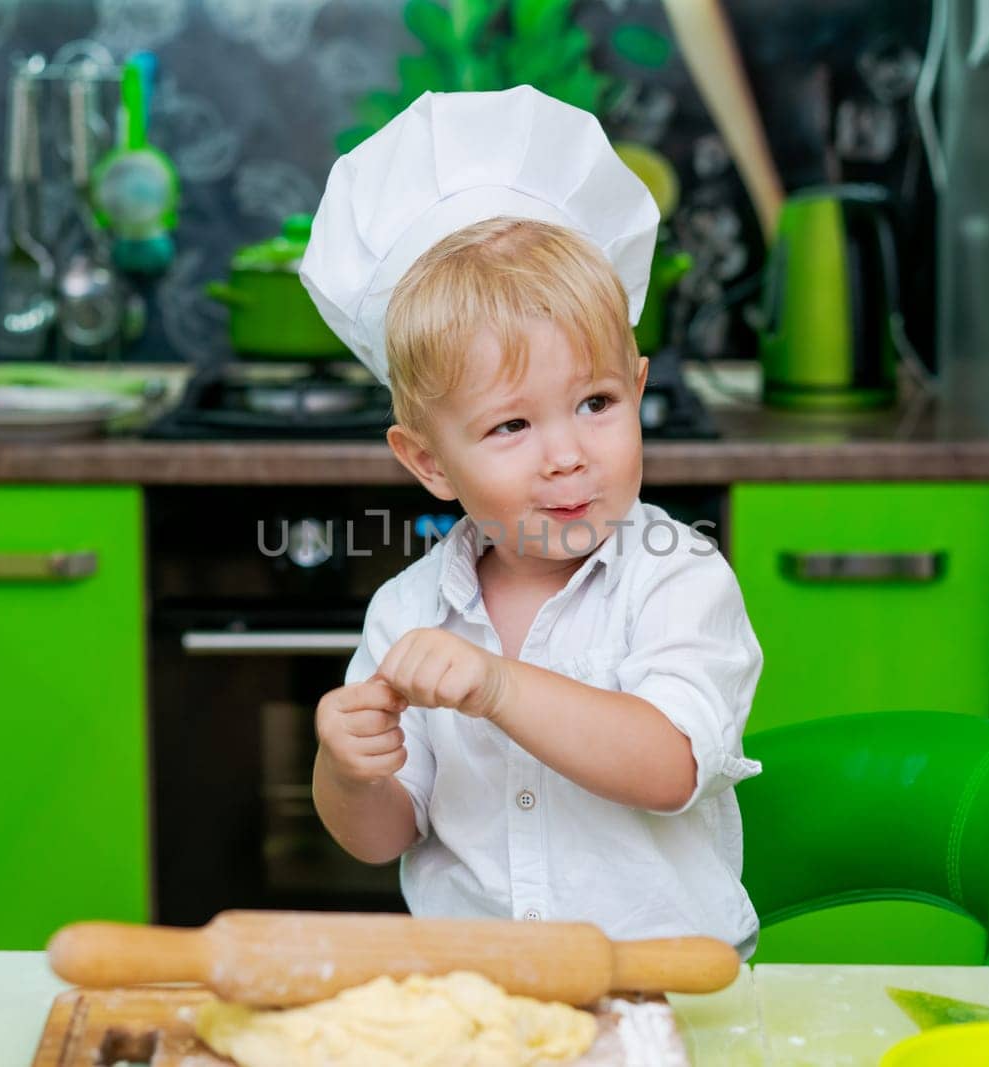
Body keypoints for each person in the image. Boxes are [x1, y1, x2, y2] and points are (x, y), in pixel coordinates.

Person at [300, 86, 763, 956]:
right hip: (479, 997)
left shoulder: (676, 577)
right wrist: (347, 768)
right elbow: (381, 835)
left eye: (595, 401)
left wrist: (499, 687)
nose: (566, 454)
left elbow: (668, 768)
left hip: (664, 989)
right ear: (429, 460)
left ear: (640, 386)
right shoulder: (409, 612)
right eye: (512, 425)